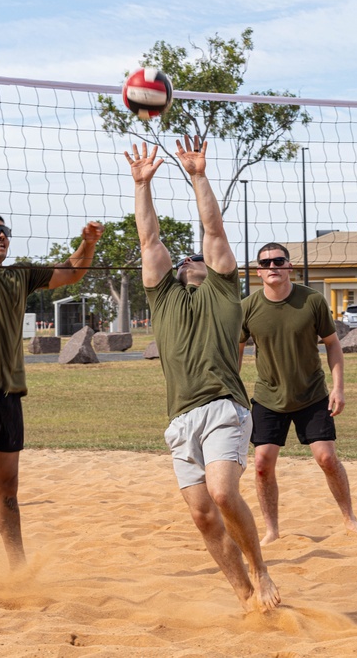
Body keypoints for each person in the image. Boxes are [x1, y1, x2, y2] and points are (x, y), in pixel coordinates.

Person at [124, 136, 279, 613]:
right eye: (185, 258)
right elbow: (149, 239)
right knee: (201, 516)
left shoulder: (223, 291)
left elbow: (214, 231)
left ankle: (260, 568)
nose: (192, 260)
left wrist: (198, 176)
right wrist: (142, 186)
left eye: (198, 258)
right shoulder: (163, 297)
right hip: (179, 420)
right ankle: (246, 598)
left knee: (222, 492)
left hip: (222, 409)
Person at [0, 176, 104, 582]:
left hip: (9, 391)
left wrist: (88, 242)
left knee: (8, 489)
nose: (0, 236)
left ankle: (18, 569)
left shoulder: (19, 274)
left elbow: (71, 273)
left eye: (4, 232)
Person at [239, 243, 357, 545]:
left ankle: (349, 519)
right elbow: (237, 349)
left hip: (311, 394)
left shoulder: (312, 300)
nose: (272, 267)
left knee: (326, 458)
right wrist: (234, 393)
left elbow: (333, 344)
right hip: (268, 396)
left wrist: (338, 388)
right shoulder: (248, 307)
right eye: (265, 263)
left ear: (289, 267)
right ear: (258, 272)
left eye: (278, 261)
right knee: (261, 463)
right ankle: (272, 530)